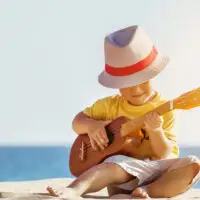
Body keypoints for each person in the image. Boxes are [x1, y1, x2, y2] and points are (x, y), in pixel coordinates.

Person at [47, 25, 200, 199]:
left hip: (157, 173)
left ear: (153, 74)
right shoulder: (109, 106)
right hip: (121, 172)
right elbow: (77, 122)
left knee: (193, 165)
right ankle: (74, 190)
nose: (136, 90)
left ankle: (147, 192)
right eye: (127, 83)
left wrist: (156, 131)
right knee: (113, 164)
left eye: (142, 80)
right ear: (116, 84)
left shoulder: (167, 108)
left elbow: (164, 154)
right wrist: (92, 126)